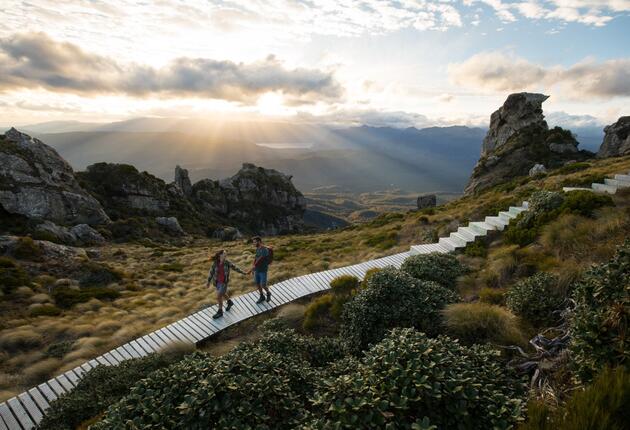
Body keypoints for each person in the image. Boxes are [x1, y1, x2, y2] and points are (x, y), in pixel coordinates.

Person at [206, 249, 246, 319]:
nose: (226, 254)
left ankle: (220, 311)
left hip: (224, 282)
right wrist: (208, 281)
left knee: (219, 296)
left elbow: (235, 268)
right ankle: (229, 302)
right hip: (217, 282)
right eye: (224, 253)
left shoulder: (227, 262)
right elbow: (211, 272)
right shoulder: (215, 263)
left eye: (226, 253)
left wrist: (244, 273)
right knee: (223, 293)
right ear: (220, 255)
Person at [249, 236, 271, 303]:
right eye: (253, 242)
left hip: (263, 270)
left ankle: (268, 293)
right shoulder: (257, 249)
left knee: (263, 284)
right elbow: (256, 258)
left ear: (259, 242)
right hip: (257, 270)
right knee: (257, 283)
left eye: (255, 242)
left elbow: (260, 259)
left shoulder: (264, 249)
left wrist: (253, 267)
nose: (254, 243)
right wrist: (253, 267)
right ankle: (262, 296)